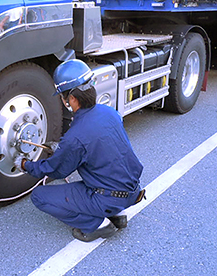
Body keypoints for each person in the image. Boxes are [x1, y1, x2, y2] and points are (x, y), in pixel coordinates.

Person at [14, 59, 145, 242]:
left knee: (39, 197)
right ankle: (118, 215)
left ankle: (98, 225)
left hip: (108, 197)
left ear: (72, 99)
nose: (62, 99)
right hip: (133, 190)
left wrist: (26, 165)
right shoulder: (109, 113)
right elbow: (98, 145)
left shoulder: (75, 137)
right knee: (107, 175)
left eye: (62, 96)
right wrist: (62, 148)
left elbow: (56, 171)